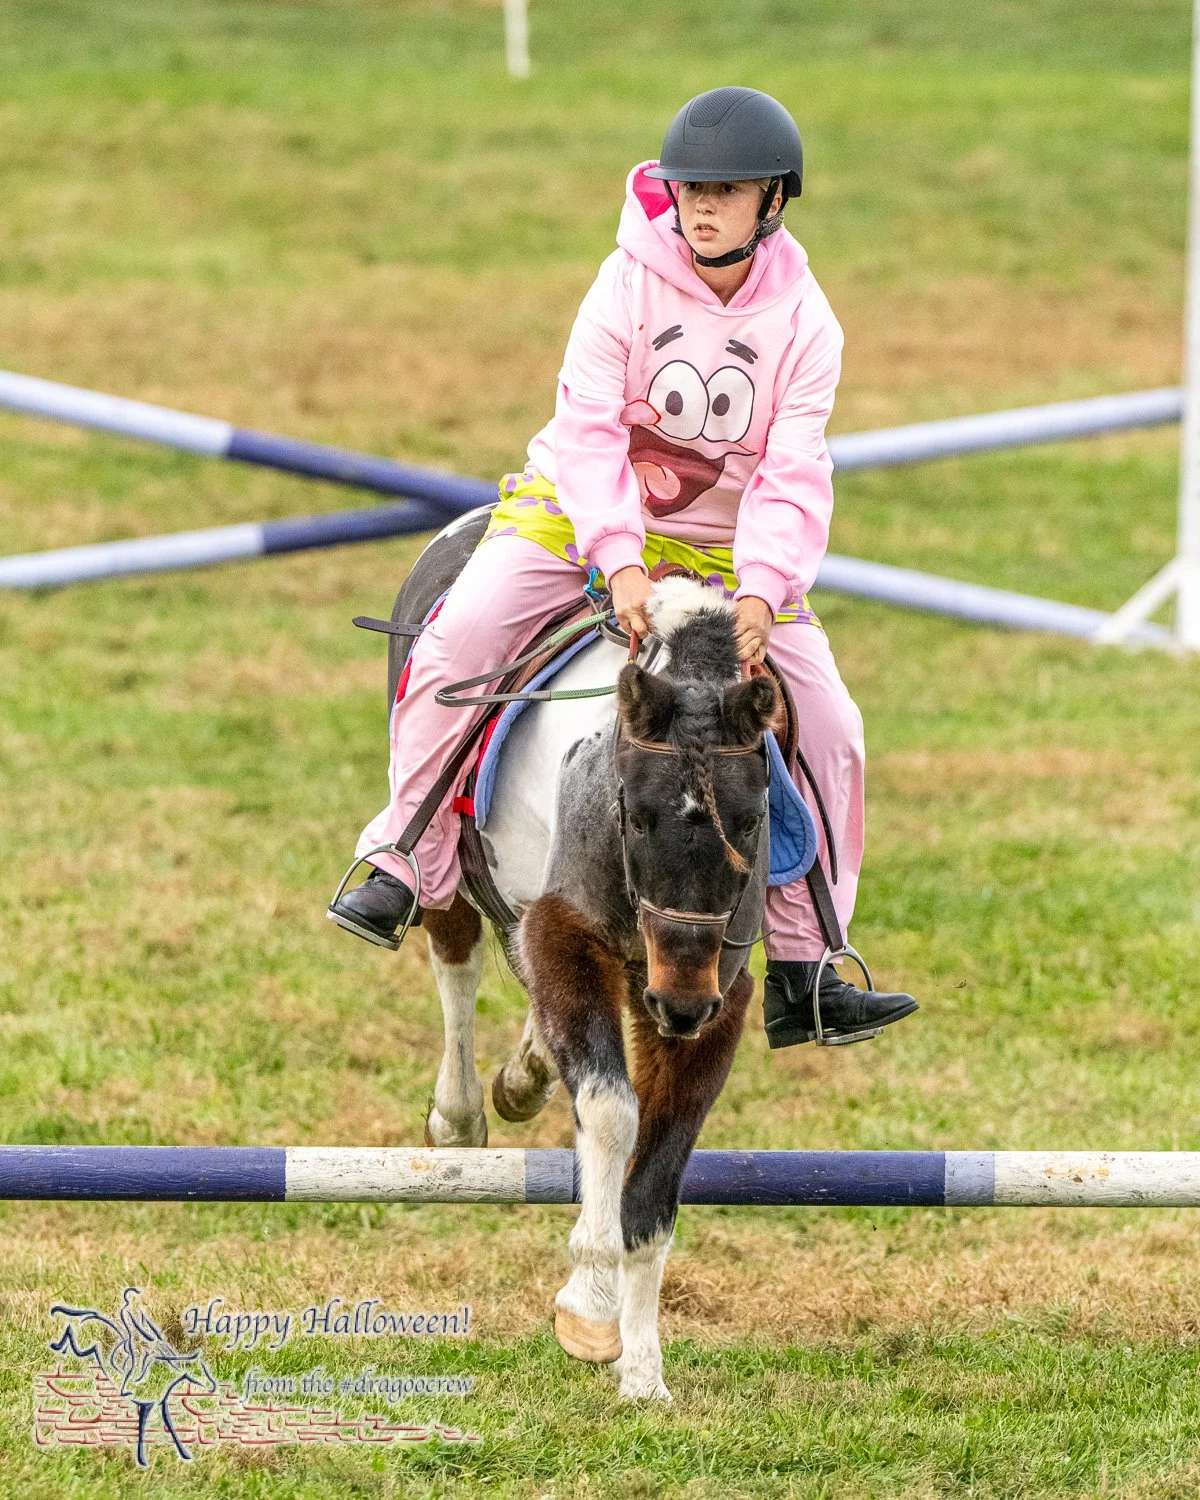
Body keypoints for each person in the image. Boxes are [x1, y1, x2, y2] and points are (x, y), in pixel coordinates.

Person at [329, 86, 918, 1047]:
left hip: (731, 553)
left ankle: (809, 964)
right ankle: (405, 856)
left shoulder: (810, 323)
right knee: (458, 641)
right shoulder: (622, 283)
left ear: (775, 201)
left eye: (726, 190)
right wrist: (620, 563)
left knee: (839, 729)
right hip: (577, 513)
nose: (702, 205)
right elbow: (591, 433)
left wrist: (765, 591)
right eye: (692, 188)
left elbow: (794, 467)